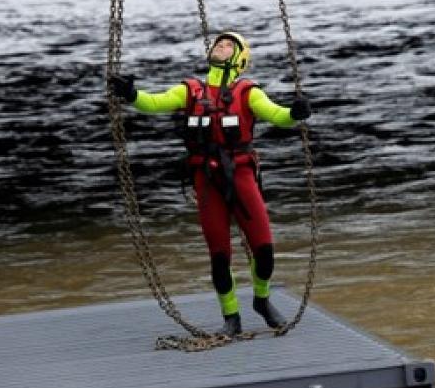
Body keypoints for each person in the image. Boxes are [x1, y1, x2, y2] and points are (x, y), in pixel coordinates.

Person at [109, 31, 311, 336]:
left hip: (241, 176)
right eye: (218, 43)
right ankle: (231, 315)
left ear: (240, 58)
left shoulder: (248, 93)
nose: (220, 46)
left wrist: (295, 114)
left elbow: (278, 115)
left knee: (265, 250)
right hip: (207, 179)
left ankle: (262, 298)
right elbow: (154, 103)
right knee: (219, 256)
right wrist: (132, 95)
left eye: (229, 44)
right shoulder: (190, 91)